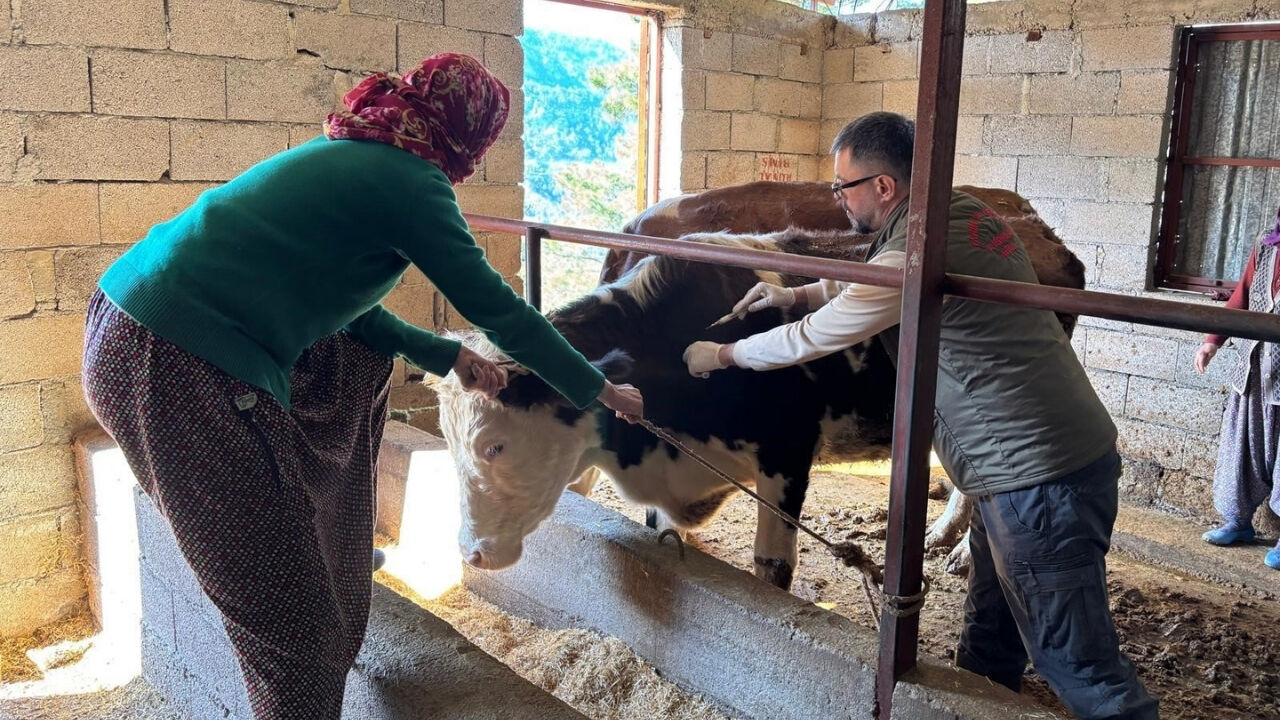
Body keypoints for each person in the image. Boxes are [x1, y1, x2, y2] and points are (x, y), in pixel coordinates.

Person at [81, 53, 643, 720]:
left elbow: (340, 306)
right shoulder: (412, 181)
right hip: (175, 361)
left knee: (356, 357)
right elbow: (500, 311)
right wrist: (597, 388)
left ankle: (322, 539)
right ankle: (300, 597)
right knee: (297, 631)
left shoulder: (357, 152)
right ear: (470, 134)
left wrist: (443, 355)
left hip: (130, 328)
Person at [682, 112, 1157, 719]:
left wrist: (721, 354)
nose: (838, 198)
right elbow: (879, 280)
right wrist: (793, 292)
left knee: (1079, 664)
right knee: (991, 629)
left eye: (843, 186)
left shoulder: (916, 245)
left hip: (1034, 476)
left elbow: (813, 337)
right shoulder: (958, 212)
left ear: (883, 185)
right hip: (1033, 463)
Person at [1193, 204, 1280, 571]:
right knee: (1241, 447)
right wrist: (1212, 341)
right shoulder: (1266, 247)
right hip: (1254, 369)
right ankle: (1238, 522)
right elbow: (1241, 297)